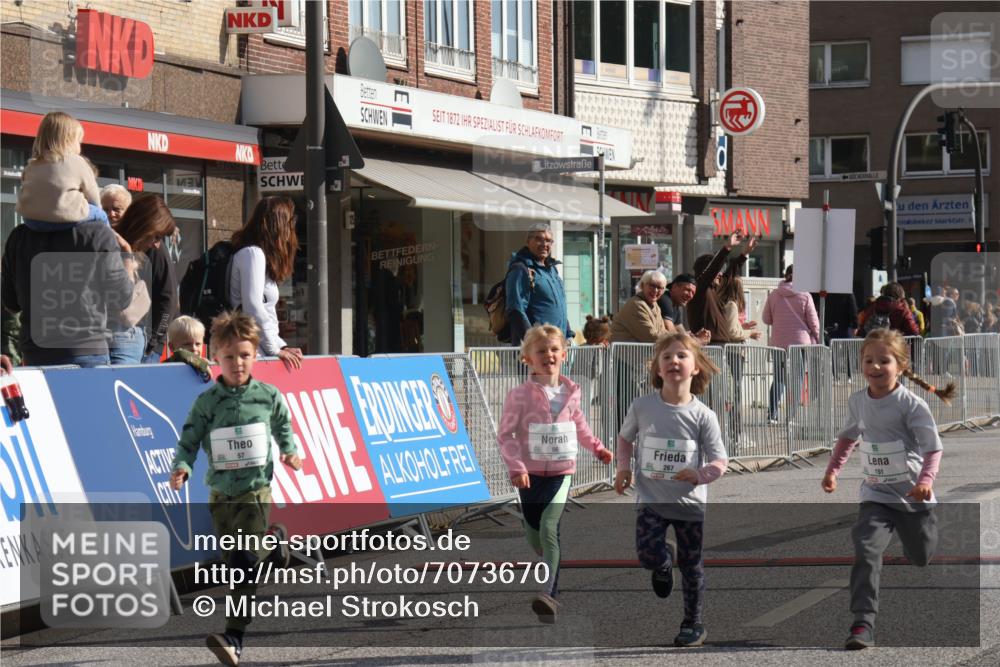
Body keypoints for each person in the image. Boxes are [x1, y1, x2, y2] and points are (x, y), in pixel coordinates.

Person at [169, 311, 301, 666]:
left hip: (255, 493)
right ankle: (274, 547)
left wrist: (289, 451)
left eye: (245, 355)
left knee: (242, 564)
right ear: (216, 358)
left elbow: (283, 425)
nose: (238, 363)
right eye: (229, 356)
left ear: (255, 355)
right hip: (220, 495)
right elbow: (189, 439)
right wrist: (182, 466)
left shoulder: (267, 396)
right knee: (237, 562)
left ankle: (234, 636)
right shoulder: (207, 403)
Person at [821, 328, 955, 650]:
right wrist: (832, 471)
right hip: (875, 494)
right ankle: (862, 624)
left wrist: (925, 482)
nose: (875, 367)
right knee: (866, 548)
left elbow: (932, 449)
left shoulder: (911, 404)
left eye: (884, 360)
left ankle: (917, 537)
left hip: (911, 495)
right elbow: (848, 438)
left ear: (901, 365)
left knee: (921, 556)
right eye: (869, 360)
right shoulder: (858, 401)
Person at [614, 332, 727, 648]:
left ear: (695, 368)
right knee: (648, 554)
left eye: (681, 356)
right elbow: (625, 439)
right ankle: (663, 564)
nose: (674, 361)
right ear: (657, 369)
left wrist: (700, 474)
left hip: (689, 503)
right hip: (651, 498)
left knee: (692, 566)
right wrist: (623, 468)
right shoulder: (642, 406)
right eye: (666, 357)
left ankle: (693, 624)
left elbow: (720, 461)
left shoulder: (704, 415)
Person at [496, 324, 612, 623]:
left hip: (562, 472)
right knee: (535, 535)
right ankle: (546, 565)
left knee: (549, 528)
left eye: (553, 349)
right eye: (541, 351)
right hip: (529, 475)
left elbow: (580, 426)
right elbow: (505, 435)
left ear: (564, 354)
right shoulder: (519, 395)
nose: (548, 355)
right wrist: (517, 467)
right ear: (527, 359)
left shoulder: (572, 391)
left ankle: (549, 595)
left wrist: (597, 448)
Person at [2, 210, 134, 368]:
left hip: (36, 353)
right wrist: (127, 258)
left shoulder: (19, 236)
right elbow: (122, 298)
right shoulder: (98, 233)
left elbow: (11, 303)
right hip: (86, 351)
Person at [229, 197, 303, 371]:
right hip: (250, 350)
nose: (292, 228)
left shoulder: (257, 255)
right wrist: (275, 349)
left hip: (257, 348)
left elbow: (264, 311)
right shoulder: (253, 254)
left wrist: (281, 346)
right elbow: (253, 307)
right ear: (278, 224)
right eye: (290, 221)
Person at [15, 111, 108, 230]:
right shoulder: (77, 161)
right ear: (69, 141)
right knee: (101, 215)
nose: (80, 147)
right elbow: (93, 195)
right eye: (79, 142)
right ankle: (111, 242)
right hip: (65, 218)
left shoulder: (32, 165)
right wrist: (97, 208)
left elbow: (24, 190)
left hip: (31, 220)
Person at [113, 195, 179, 364]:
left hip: (141, 342)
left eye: (161, 238)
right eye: (156, 236)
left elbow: (168, 298)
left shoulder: (157, 252)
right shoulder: (111, 240)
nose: (157, 243)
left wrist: (155, 343)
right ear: (144, 225)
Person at [762, 265, 820, 423]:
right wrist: (818, 336)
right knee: (797, 378)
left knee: (779, 378)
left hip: (779, 343)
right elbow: (814, 323)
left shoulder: (774, 294)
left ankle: (772, 415)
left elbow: (766, 319)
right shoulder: (805, 295)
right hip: (799, 343)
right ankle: (791, 416)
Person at [504, 225, 574, 346]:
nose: (544, 244)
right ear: (528, 241)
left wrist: (568, 335)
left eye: (548, 241)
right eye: (539, 239)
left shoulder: (552, 270)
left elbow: (559, 307)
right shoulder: (521, 269)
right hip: (536, 352)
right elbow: (515, 310)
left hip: (557, 346)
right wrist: (534, 343)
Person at [610, 270, 668, 343]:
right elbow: (651, 337)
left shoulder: (655, 305)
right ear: (642, 285)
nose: (655, 290)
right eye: (652, 285)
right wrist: (677, 339)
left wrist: (679, 337)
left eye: (660, 287)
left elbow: (662, 331)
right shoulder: (636, 304)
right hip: (626, 353)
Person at [658, 273, 711, 344]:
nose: (690, 296)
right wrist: (698, 341)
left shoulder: (675, 306)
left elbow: (681, 332)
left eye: (693, 293)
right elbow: (672, 333)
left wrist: (695, 336)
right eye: (688, 290)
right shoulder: (665, 299)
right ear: (674, 287)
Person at [164, 315, 210, 382]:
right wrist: (200, 363)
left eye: (198, 344)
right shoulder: (172, 362)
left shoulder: (202, 364)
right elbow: (180, 354)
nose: (194, 348)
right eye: (187, 344)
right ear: (172, 347)